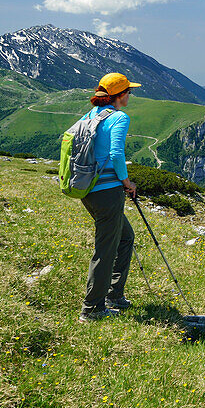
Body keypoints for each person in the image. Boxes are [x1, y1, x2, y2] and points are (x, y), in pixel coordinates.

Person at [78, 72, 141, 323]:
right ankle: (92, 308)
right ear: (120, 95)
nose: (130, 95)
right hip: (107, 192)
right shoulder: (119, 117)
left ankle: (114, 295)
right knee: (106, 249)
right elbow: (116, 154)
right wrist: (127, 183)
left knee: (126, 237)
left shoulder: (90, 115)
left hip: (88, 190)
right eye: (129, 91)